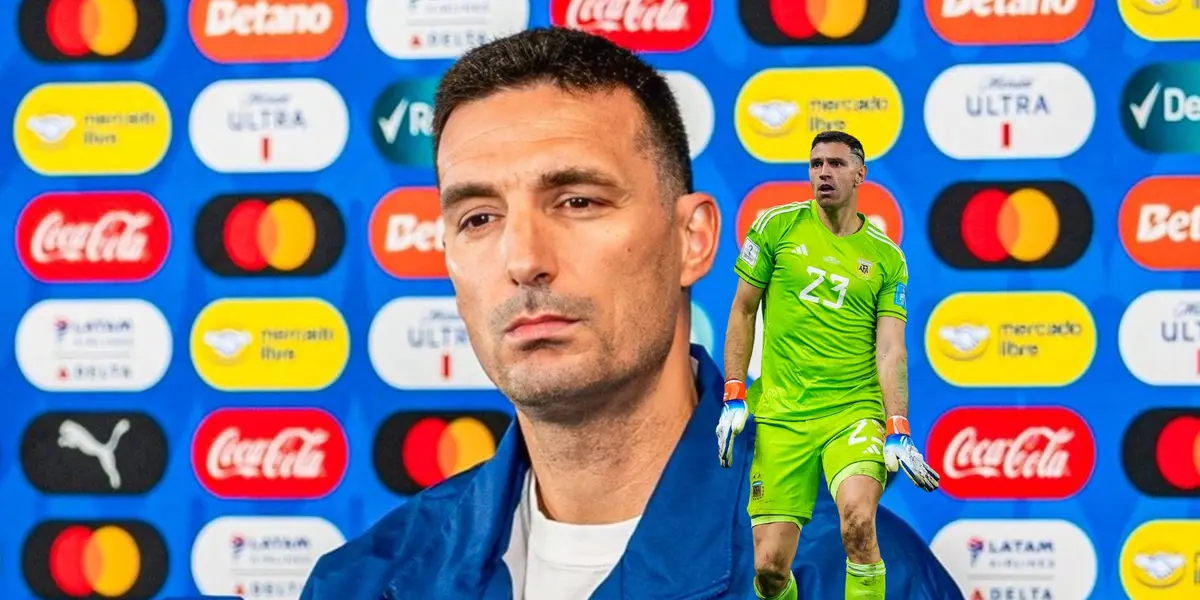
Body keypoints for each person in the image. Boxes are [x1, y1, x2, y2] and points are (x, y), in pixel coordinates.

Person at [300, 28, 961, 600]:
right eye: (478, 218)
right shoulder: (359, 580)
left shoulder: (846, 576)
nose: (523, 258)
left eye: (578, 202)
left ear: (692, 240)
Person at [715, 131, 943, 600]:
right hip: (783, 414)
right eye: (816, 163)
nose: (824, 172)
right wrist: (734, 392)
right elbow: (741, 309)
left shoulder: (886, 258)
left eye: (837, 164)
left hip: (853, 412)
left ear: (861, 174)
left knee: (858, 523)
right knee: (769, 571)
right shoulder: (775, 228)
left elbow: (891, 350)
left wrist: (897, 426)